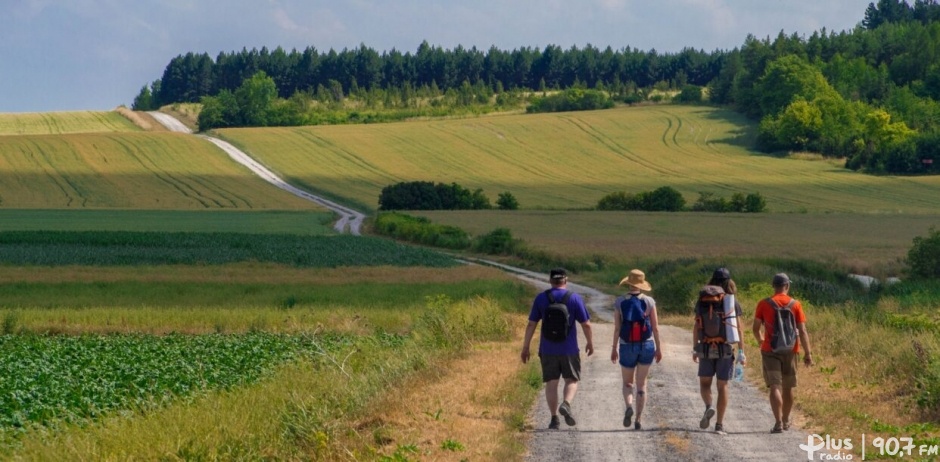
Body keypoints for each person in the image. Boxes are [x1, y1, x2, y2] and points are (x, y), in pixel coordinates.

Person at [521, 267, 594, 430]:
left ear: (550, 281)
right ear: (565, 281)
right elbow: (586, 324)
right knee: (572, 380)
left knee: (551, 383)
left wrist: (525, 347)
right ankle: (566, 403)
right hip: (569, 349)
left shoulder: (541, 298)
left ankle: (554, 419)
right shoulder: (574, 298)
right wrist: (590, 342)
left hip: (547, 349)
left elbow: (532, 323)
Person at [752, 273, 814, 434]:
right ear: (787, 286)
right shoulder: (796, 304)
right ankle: (786, 420)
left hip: (770, 350)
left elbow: (756, 328)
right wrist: (808, 354)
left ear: (774, 286)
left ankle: (778, 422)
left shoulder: (764, 304)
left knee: (775, 386)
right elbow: (802, 330)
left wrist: (761, 341)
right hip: (791, 350)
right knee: (788, 387)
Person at [693, 267, 746, 434]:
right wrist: (742, 352)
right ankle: (719, 425)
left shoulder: (702, 300)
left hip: (706, 347)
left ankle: (709, 406)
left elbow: (696, 326)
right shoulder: (731, 301)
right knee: (723, 385)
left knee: (705, 383)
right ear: (729, 282)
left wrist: (695, 349)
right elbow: (738, 328)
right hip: (725, 348)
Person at [610, 269, 662, 430]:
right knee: (642, 384)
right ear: (641, 284)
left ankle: (629, 406)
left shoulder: (619, 302)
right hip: (646, 344)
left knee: (627, 383)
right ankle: (638, 419)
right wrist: (658, 348)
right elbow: (655, 328)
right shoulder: (649, 302)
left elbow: (617, 328)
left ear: (629, 283)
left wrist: (614, 348)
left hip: (626, 345)